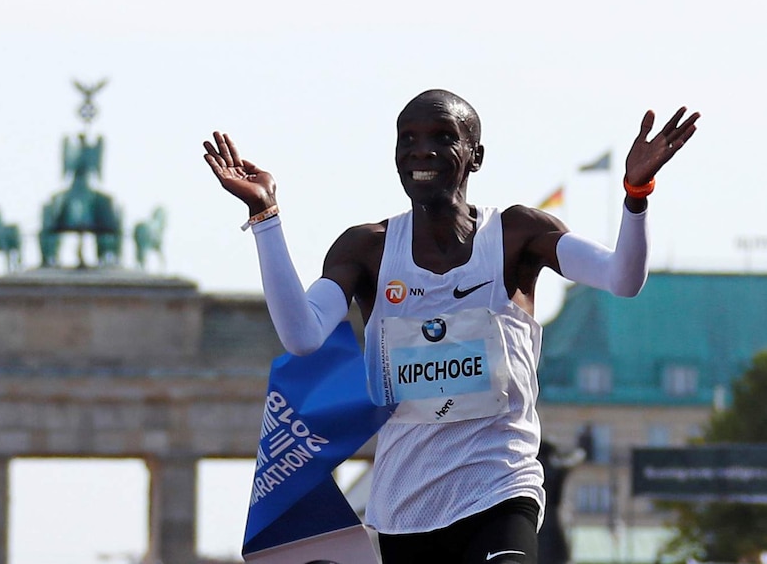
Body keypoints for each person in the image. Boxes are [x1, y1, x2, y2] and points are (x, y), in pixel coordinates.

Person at [203, 89, 699, 564]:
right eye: (409, 139)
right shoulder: (367, 248)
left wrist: (636, 195)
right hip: (406, 506)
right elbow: (302, 335)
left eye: (443, 137)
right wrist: (265, 216)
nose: (424, 151)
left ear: (475, 156)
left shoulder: (518, 234)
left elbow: (622, 278)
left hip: (501, 485)